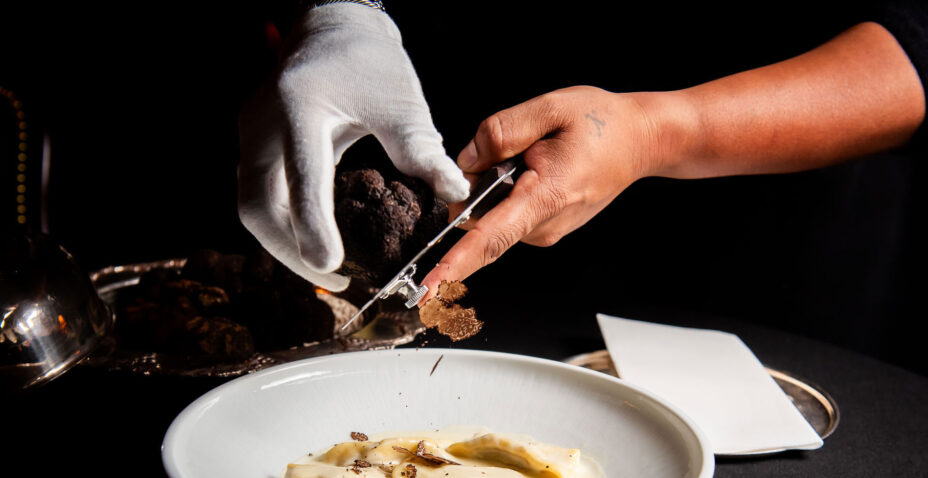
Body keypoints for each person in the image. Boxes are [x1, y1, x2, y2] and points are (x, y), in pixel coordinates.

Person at [239, 1, 925, 299]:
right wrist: (340, 10)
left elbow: (915, 51)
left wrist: (657, 130)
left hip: (756, 247)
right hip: (433, 149)